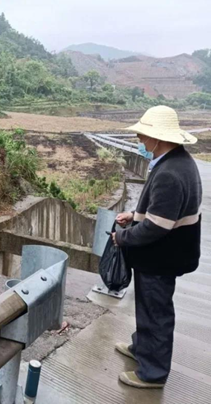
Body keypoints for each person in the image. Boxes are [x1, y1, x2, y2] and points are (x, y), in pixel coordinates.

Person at [112, 106, 202, 389]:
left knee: (156, 312)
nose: (139, 139)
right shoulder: (179, 161)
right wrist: (133, 217)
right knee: (149, 307)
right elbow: (160, 214)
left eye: (143, 134)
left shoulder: (169, 173)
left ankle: (153, 373)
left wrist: (124, 237)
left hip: (161, 257)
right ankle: (141, 349)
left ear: (157, 138)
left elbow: (156, 227)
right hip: (168, 253)